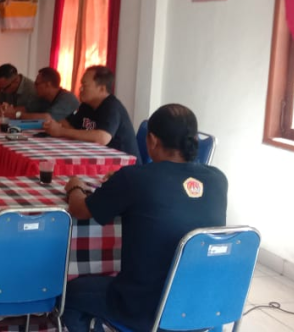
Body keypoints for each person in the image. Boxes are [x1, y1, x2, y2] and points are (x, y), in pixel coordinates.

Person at [60, 104, 227, 332]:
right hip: (205, 306)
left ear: (152, 140)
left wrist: (75, 187)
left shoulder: (134, 179)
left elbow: (80, 210)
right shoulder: (218, 179)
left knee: (69, 294)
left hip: (145, 308)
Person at [43, 66, 140, 159]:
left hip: (123, 165)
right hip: (95, 157)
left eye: (84, 85)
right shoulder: (87, 105)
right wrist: (55, 124)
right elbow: (72, 127)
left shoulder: (112, 107)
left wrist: (61, 131)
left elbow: (102, 138)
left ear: (102, 89)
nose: (80, 89)